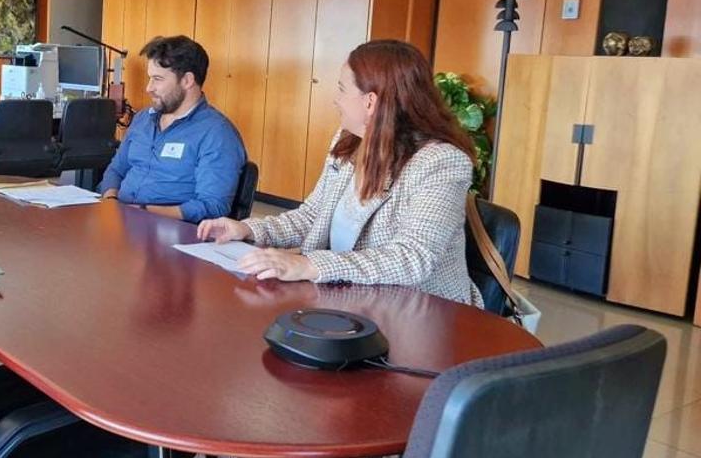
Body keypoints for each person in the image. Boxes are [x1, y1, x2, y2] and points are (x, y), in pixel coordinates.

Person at [198, 39, 483, 307]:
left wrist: (311, 265)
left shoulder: (441, 162)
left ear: (370, 102)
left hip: (424, 311)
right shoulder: (349, 141)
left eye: (342, 89)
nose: (335, 99)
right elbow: (312, 216)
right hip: (350, 300)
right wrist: (248, 229)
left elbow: (412, 258)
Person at [97, 35, 246, 223]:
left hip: (168, 233)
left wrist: (142, 211)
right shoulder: (143, 119)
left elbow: (212, 205)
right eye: (150, 78)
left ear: (187, 80)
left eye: (157, 79)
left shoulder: (217, 133)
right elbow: (116, 170)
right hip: (121, 223)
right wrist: (111, 201)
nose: (148, 88)